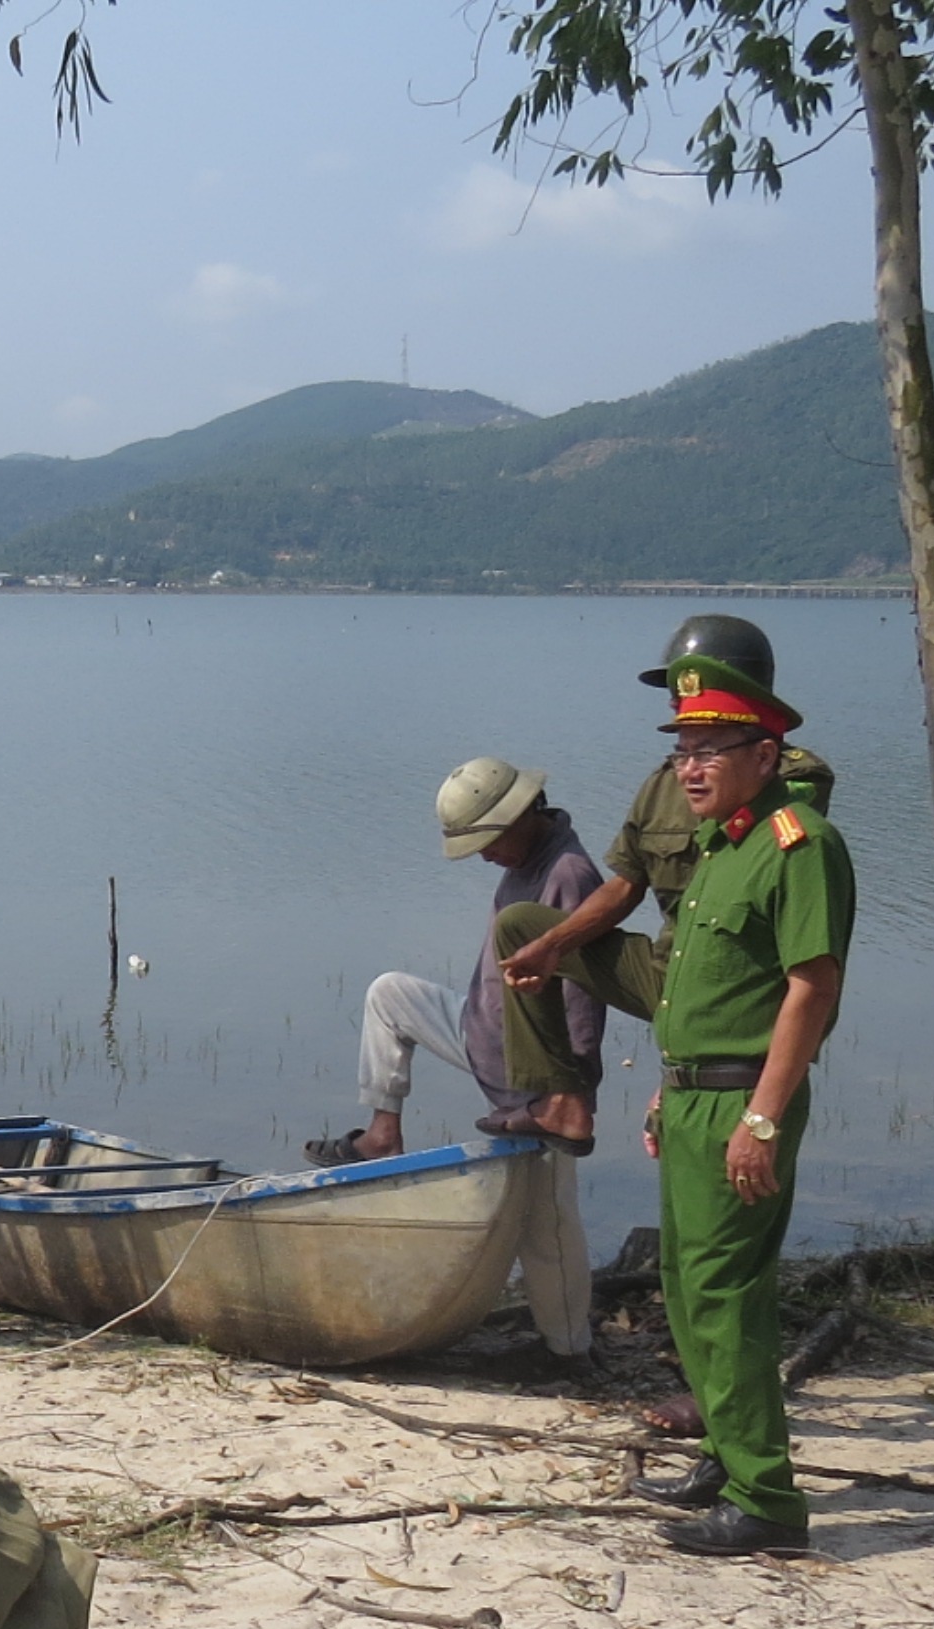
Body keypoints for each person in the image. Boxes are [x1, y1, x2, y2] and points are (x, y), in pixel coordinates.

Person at [634, 679, 856, 1557]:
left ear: (765, 757)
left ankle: (767, 1498)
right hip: (695, 1094)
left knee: (728, 1293)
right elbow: (708, 986)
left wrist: (761, 1119)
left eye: (710, 751)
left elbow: (813, 986)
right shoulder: (718, 848)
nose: (690, 768)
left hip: (743, 1101)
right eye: (681, 751)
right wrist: (669, 1083)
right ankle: (725, 1461)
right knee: (690, 1289)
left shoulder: (800, 846)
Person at [491, 614, 836, 1151]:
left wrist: (681, 1076)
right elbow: (627, 884)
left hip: (730, 990)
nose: (679, 702)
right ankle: (562, 1101)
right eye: (675, 693)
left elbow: (763, 907)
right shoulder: (665, 780)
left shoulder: (783, 778)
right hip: (665, 972)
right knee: (521, 928)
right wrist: (553, 946)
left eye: (692, 688)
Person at [304, 756, 603, 1360]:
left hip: (538, 1073)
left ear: (522, 816)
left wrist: (567, 1093)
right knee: (390, 994)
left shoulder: (570, 875)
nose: (486, 856)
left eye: (488, 841)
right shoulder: (522, 863)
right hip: (480, 1032)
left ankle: (570, 1351)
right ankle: (382, 1134)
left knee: (548, 1221)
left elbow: (584, 994)